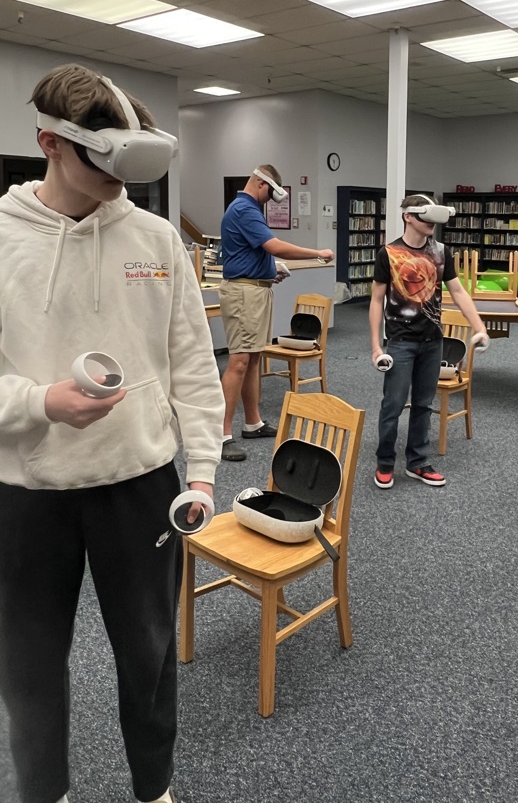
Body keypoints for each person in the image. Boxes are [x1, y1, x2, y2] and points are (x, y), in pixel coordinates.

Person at [0, 64, 225, 803]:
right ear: (50, 144)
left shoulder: (157, 240)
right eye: (103, 162)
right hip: (27, 489)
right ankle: (44, 791)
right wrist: (40, 403)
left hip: (140, 484)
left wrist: (202, 474)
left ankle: (153, 789)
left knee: (149, 655)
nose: (119, 180)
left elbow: (194, 365)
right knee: (28, 664)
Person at [369, 194, 490, 489]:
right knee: (393, 404)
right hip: (400, 341)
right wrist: (376, 346)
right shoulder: (389, 253)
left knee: (424, 404)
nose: (432, 224)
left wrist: (480, 327)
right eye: (426, 217)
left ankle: (417, 462)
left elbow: (458, 292)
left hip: (432, 341)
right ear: (408, 217)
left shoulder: (441, 252)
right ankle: (385, 462)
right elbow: (376, 300)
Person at [218, 166, 334, 461]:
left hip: (256, 290)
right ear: (260, 182)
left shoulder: (248, 208)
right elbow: (274, 246)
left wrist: (269, 270)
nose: (269, 200)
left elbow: (257, 251)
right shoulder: (244, 209)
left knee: (254, 358)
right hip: (244, 293)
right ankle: (221, 434)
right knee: (239, 361)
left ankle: (253, 422)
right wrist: (317, 253)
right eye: (269, 193)